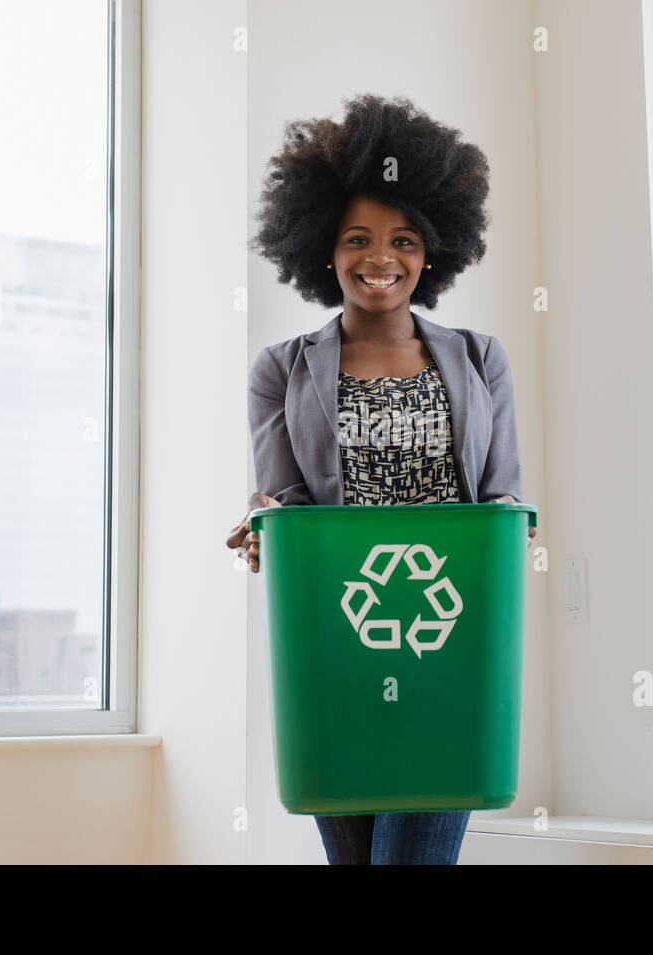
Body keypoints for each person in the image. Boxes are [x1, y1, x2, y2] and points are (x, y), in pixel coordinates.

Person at [225, 93, 532, 865]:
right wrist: (265, 523)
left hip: (449, 649)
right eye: (356, 238)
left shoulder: (480, 359)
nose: (379, 258)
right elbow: (289, 503)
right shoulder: (280, 370)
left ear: (432, 251)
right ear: (323, 248)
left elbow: (502, 503)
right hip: (341, 654)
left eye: (402, 240)